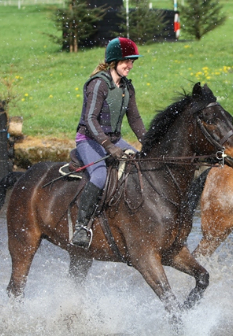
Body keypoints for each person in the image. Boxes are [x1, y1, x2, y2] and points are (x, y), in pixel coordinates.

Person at [71, 37, 147, 248]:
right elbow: (90, 120)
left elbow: (135, 119)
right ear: (114, 61)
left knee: (140, 164)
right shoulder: (98, 84)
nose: (130, 66)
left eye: (132, 62)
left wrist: (149, 143)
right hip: (89, 139)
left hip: (114, 139)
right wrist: (109, 146)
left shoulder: (127, 87)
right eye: (126, 61)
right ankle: (81, 226)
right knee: (100, 175)